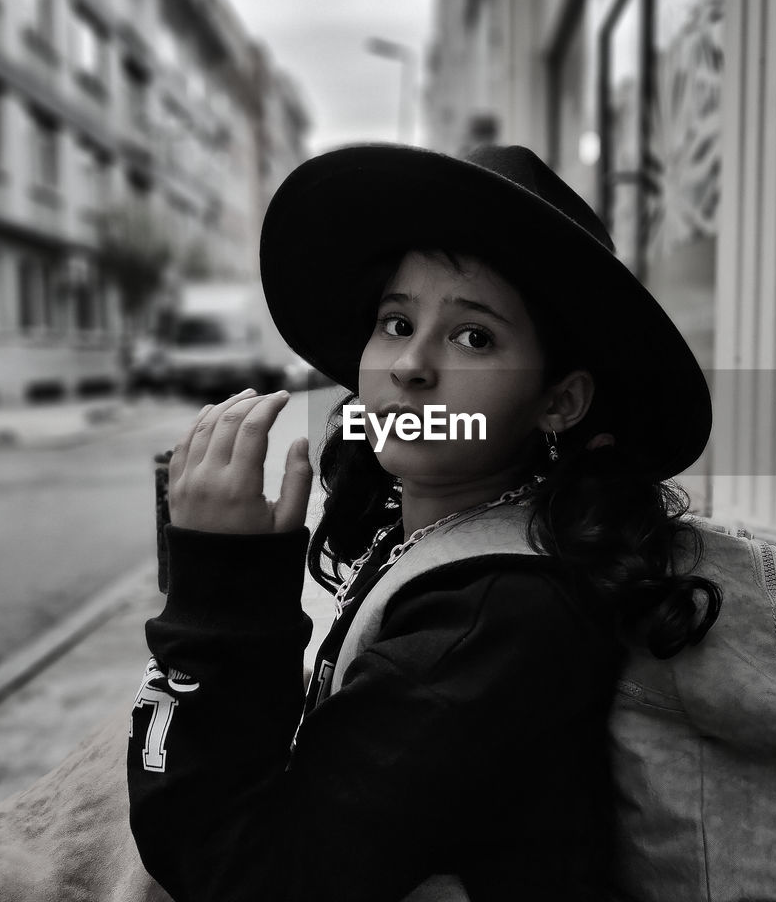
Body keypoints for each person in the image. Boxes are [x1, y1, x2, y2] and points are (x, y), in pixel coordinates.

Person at [127, 143, 715, 902]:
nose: (410, 367)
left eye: (474, 337)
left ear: (559, 401)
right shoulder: (441, 538)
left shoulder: (497, 615)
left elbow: (241, 873)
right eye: (397, 322)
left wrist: (219, 589)